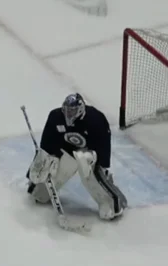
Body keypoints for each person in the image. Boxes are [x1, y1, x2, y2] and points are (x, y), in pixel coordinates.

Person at [26, 93, 127, 221]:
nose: (68, 114)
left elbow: (103, 147)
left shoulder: (96, 120)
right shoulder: (55, 117)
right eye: (66, 110)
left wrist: (102, 167)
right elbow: (46, 147)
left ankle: (109, 202)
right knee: (39, 195)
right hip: (66, 152)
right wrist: (39, 166)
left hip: (88, 155)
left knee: (83, 161)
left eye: (72, 111)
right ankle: (40, 189)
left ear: (80, 109)